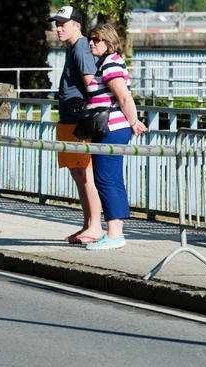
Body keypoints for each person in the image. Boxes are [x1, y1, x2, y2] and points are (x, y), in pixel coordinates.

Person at [84, 24, 148, 250]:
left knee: (105, 179)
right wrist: (132, 121)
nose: (91, 42)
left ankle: (113, 235)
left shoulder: (110, 62)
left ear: (108, 40)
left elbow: (123, 97)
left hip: (110, 129)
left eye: (96, 38)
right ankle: (116, 231)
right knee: (112, 178)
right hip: (111, 128)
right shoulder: (108, 61)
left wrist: (133, 122)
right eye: (90, 38)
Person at [49, 6, 103, 244]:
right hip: (68, 121)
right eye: (56, 24)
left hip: (78, 123)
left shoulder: (81, 47)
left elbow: (91, 84)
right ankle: (86, 226)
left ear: (77, 25)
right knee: (78, 175)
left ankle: (95, 227)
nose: (58, 28)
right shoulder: (74, 48)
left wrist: (88, 114)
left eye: (63, 24)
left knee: (85, 175)